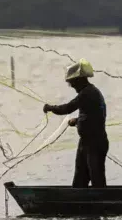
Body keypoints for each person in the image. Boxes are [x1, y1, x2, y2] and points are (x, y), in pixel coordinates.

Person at [43, 59, 109, 188]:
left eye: (72, 82)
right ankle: (80, 202)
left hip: (95, 143)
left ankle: (102, 204)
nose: (71, 86)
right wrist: (78, 121)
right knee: (80, 179)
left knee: (97, 179)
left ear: (80, 80)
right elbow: (93, 115)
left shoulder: (88, 93)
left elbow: (67, 108)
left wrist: (50, 108)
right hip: (86, 142)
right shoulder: (90, 92)